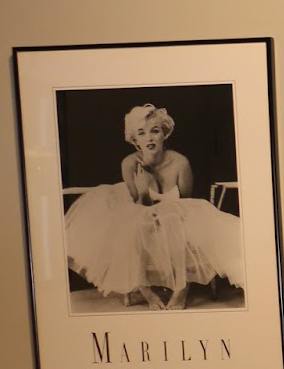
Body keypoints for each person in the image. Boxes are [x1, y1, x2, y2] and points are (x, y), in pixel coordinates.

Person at [64, 104, 243, 309]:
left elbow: (186, 203)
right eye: (141, 133)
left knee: (171, 219)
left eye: (155, 131)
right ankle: (145, 290)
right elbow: (139, 207)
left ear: (164, 134)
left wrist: (164, 212)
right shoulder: (129, 164)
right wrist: (143, 190)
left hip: (175, 217)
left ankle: (181, 288)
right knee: (134, 226)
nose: (149, 138)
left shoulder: (180, 163)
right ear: (135, 140)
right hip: (140, 211)